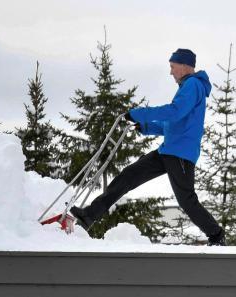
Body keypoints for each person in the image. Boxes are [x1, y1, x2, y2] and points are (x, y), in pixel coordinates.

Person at [70, 48, 226, 246]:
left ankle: (217, 235)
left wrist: (139, 114)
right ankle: (89, 215)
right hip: (168, 150)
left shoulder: (193, 85)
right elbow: (173, 124)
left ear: (185, 66)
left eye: (172, 67)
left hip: (180, 154)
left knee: (186, 200)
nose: (171, 72)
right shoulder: (188, 86)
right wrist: (145, 126)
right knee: (128, 176)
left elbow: (174, 112)